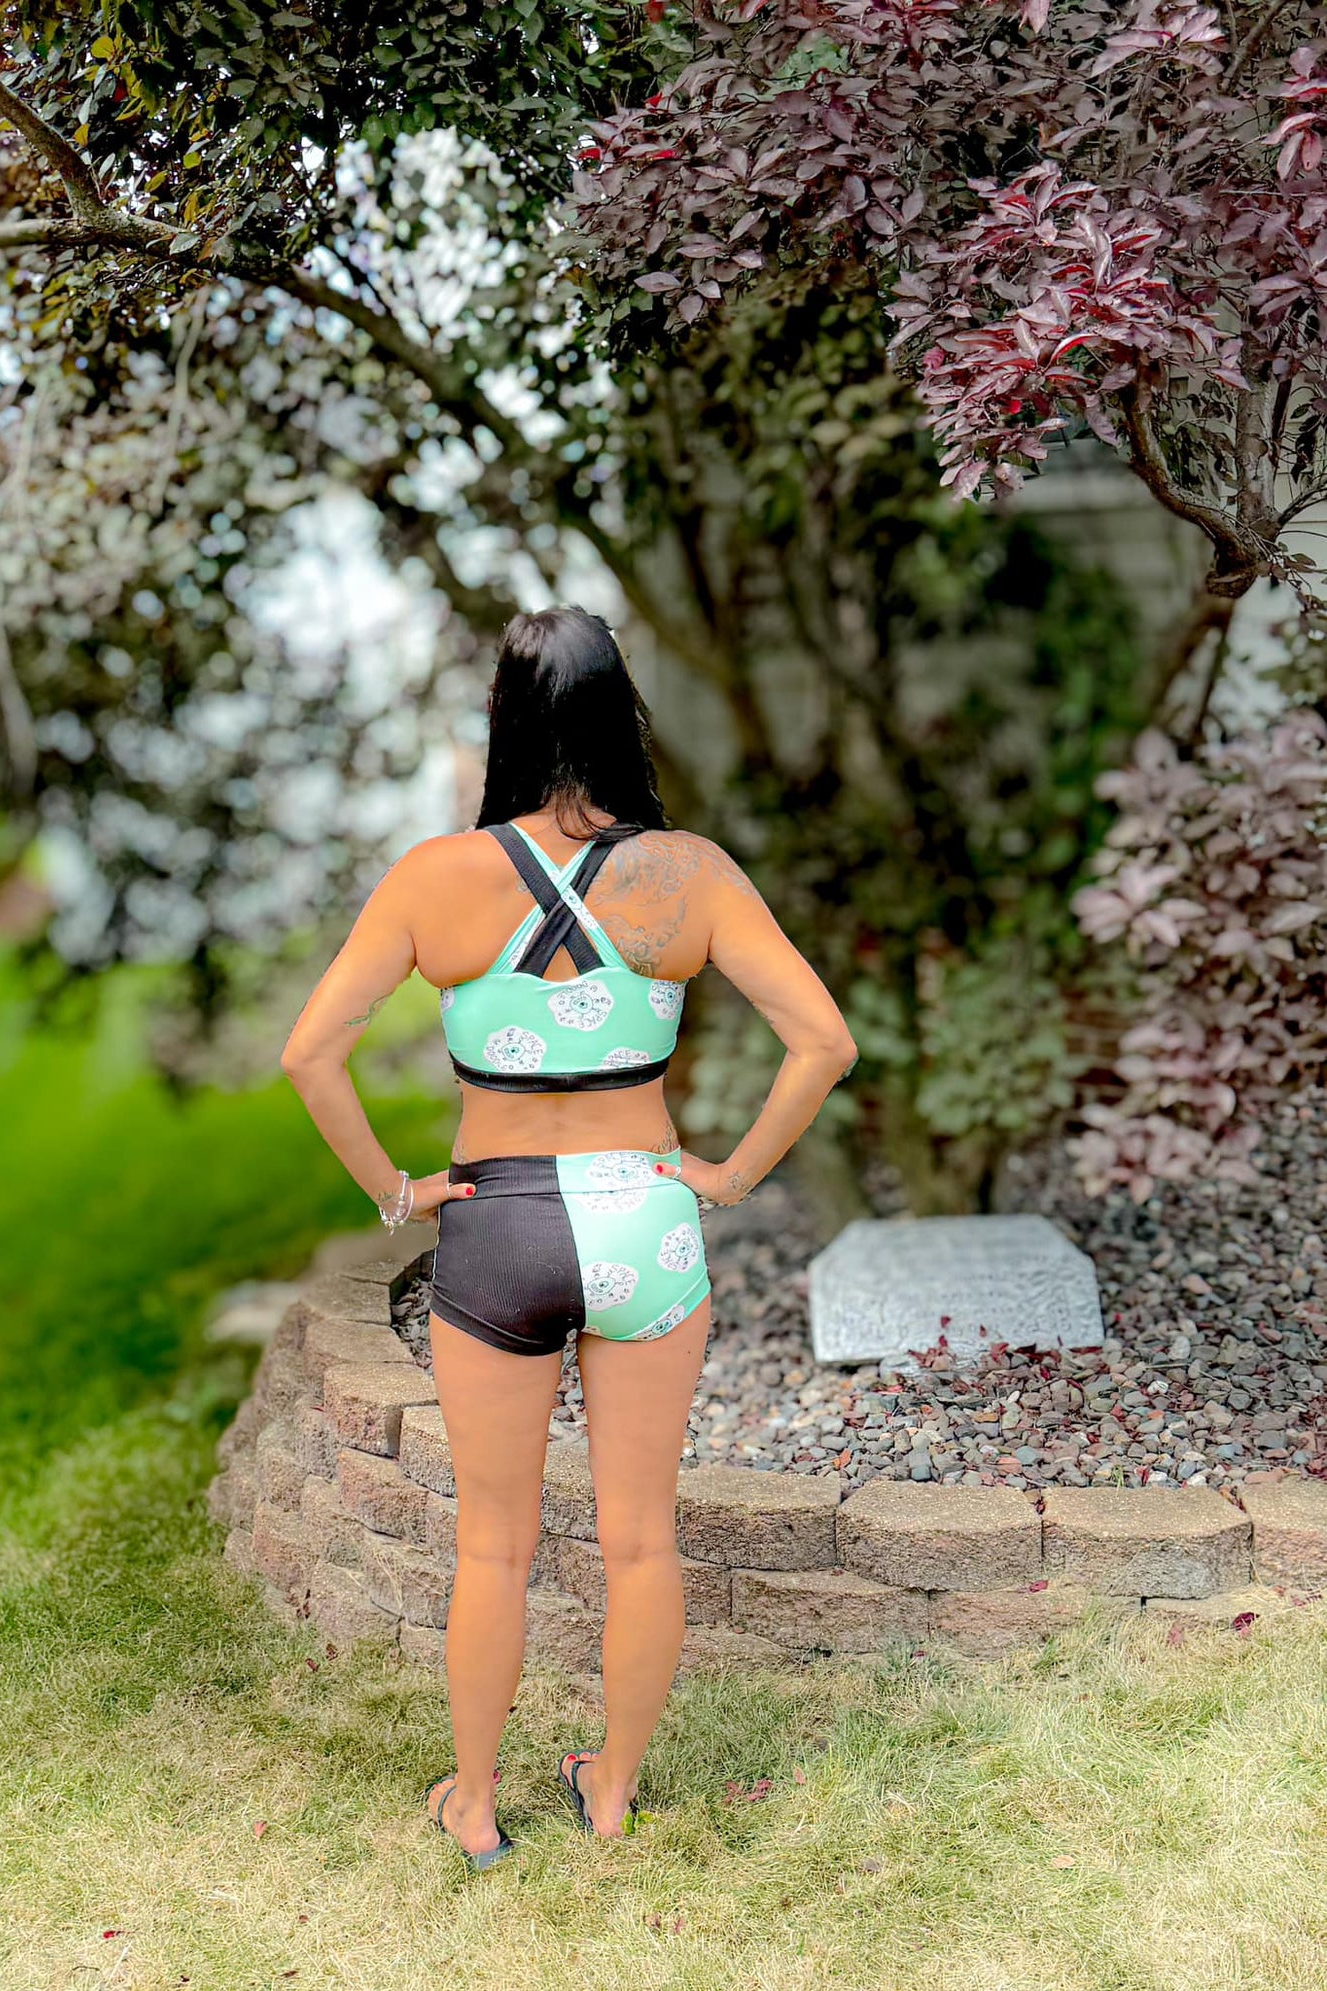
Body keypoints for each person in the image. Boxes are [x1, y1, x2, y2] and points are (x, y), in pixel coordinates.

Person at [280, 606, 857, 1866]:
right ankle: (609, 1790)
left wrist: (398, 1190)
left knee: (493, 1543)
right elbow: (823, 1041)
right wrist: (729, 1176)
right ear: (619, 715)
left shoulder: (435, 877)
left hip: (496, 1223)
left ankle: (476, 1803)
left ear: (504, 717)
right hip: (644, 1218)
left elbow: (309, 1053)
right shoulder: (686, 874)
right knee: (639, 1536)